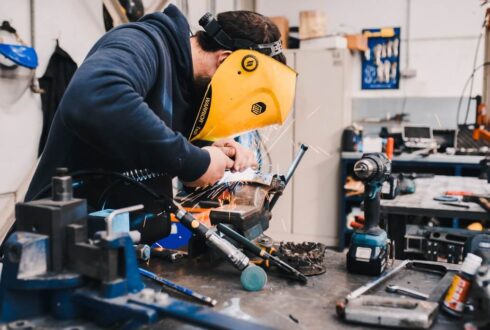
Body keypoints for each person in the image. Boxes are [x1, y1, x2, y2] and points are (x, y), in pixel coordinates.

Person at [24, 4, 286, 203]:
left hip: (124, 246)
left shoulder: (189, 85)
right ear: (225, 61)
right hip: (57, 247)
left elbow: (154, 135)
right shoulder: (142, 43)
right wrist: (194, 161)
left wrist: (207, 147)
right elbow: (95, 97)